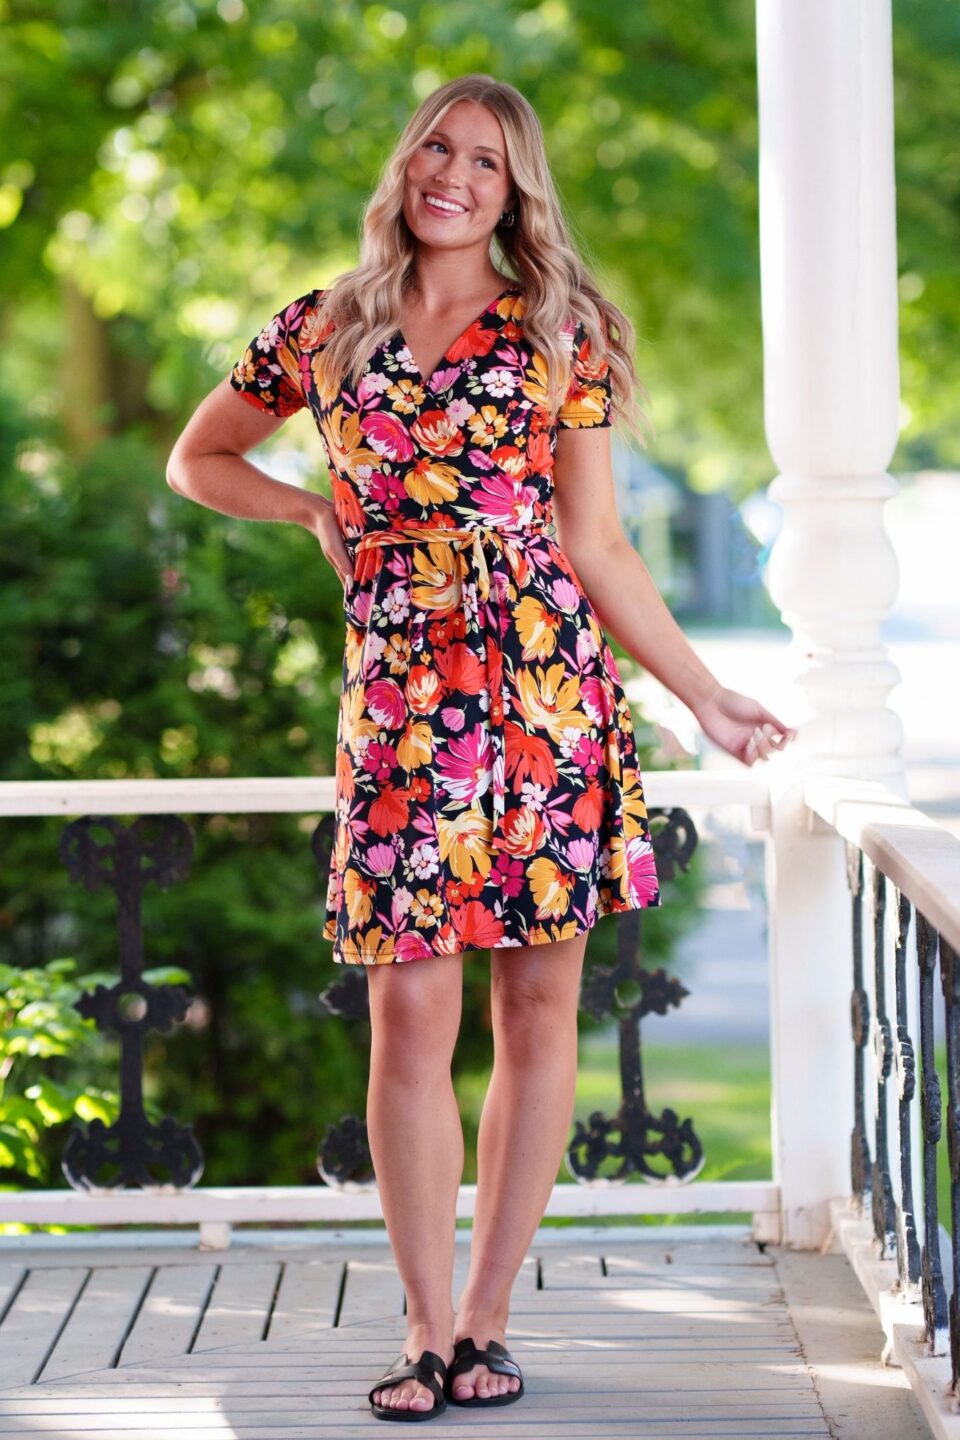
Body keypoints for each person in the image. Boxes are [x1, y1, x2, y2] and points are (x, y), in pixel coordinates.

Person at [167, 72, 797, 1423]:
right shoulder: (324, 326)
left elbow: (596, 542)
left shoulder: (564, 328)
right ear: (407, 162)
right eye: (439, 149)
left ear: (518, 195)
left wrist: (702, 695)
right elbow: (198, 459)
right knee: (408, 1011)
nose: (454, 177)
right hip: (402, 704)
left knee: (535, 1010)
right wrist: (311, 511)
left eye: (488, 164)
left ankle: (485, 1320)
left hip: (546, 698)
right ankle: (417, 1321)